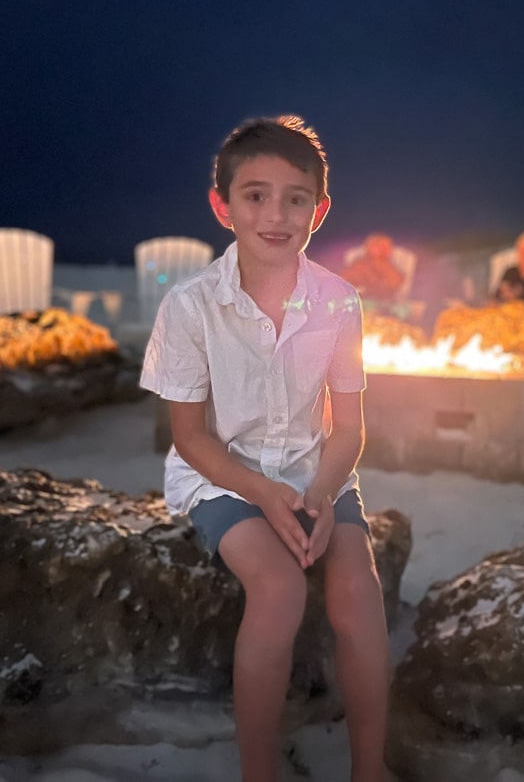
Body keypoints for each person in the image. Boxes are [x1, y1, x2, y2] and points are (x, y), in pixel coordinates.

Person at [140, 115, 389, 782]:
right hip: (222, 476)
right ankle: (260, 773)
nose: (275, 214)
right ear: (222, 206)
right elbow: (189, 437)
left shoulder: (339, 302)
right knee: (279, 589)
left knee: (357, 592)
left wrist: (318, 494)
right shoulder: (191, 307)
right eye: (255, 195)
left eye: (295, 198)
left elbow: (349, 429)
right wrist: (265, 494)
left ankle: (369, 767)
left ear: (321, 209)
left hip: (318, 469)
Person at [341, 232, 406, 304]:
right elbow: (344, 279)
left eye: (388, 247)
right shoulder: (360, 265)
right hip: (362, 301)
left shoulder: (390, 267)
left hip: (384, 303)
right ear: (369, 247)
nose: (384, 250)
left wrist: (380, 265)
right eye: (380, 246)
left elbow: (397, 282)